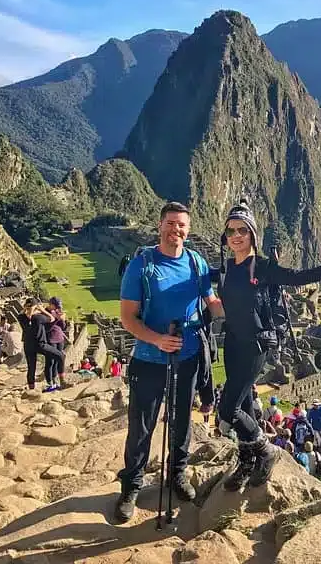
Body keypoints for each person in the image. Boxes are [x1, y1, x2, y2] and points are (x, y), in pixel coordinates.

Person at [216, 198, 321, 492]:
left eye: (242, 230)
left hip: (255, 346)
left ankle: (264, 450)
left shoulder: (264, 268)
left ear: (252, 234)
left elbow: (298, 277)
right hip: (231, 343)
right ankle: (246, 462)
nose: (236, 236)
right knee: (243, 403)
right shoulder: (227, 268)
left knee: (228, 408)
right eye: (230, 231)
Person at [114, 201, 224, 523]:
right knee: (141, 426)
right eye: (172, 223)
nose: (177, 229)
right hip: (149, 360)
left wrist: (233, 311)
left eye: (183, 225)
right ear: (160, 225)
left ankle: (177, 474)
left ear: (188, 231)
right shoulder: (143, 265)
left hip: (187, 359)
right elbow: (127, 318)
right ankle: (131, 485)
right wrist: (157, 339)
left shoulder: (196, 262)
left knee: (181, 422)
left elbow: (210, 300)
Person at [17, 298, 57, 389]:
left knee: (31, 368)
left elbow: (20, 314)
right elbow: (52, 318)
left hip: (28, 345)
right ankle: (52, 382)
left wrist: (26, 308)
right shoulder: (39, 317)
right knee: (54, 357)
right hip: (40, 344)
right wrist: (42, 310)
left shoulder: (22, 318)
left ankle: (31, 388)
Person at [44, 297, 68, 391]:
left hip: (59, 339)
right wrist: (55, 319)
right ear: (51, 304)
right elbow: (46, 328)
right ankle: (49, 383)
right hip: (50, 339)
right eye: (56, 306)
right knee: (50, 361)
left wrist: (62, 319)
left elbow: (63, 327)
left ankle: (56, 381)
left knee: (58, 360)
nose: (57, 308)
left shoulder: (57, 311)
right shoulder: (45, 313)